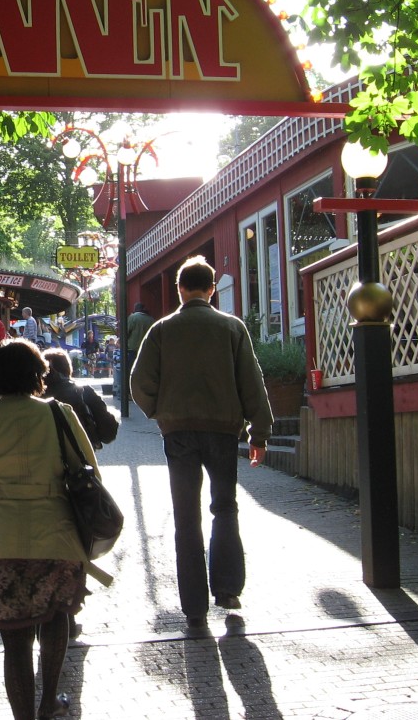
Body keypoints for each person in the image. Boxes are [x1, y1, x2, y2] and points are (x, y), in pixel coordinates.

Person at [129, 255, 272, 630]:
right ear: (212, 289)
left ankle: (194, 606)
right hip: (223, 430)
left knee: (186, 518)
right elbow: (251, 382)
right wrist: (259, 432)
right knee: (225, 507)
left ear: (179, 289)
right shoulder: (231, 328)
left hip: (178, 432)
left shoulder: (161, 329)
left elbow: (139, 381)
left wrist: (162, 413)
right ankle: (227, 588)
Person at [0, 340, 97, 720]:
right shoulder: (59, 414)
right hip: (56, 534)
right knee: (55, 618)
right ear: (39, 375)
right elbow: (91, 475)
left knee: (14, 637)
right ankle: (49, 700)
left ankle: (23, 715)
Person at [41, 347, 118, 449]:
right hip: (80, 456)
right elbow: (108, 434)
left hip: (42, 457)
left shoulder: (34, 395)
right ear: (68, 368)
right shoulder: (83, 391)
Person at [124, 302, 156, 378]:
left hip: (133, 349)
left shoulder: (133, 317)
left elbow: (125, 333)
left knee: (131, 371)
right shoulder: (151, 319)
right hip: (147, 350)